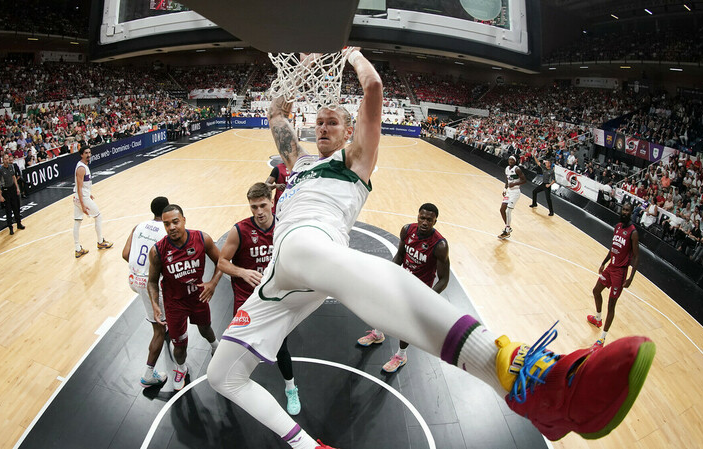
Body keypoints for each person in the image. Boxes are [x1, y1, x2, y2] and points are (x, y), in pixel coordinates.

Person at [207, 49, 654, 449]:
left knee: (343, 264)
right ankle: (306, 445)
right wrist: (304, 63)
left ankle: (518, 372)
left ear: (348, 133)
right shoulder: (298, 161)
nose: (322, 127)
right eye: (318, 122)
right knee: (222, 375)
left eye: (332, 123)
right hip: (284, 276)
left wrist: (352, 54)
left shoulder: (354, 160)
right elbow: (275, 114)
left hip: (309, 245)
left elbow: (374, 87)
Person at [217, 182, 301, 415]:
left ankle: (291, 388)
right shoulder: (240, 230)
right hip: (246, 301)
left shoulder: (284, 227)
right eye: (253, 207)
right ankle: (237, 385)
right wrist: (242, 271)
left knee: (281, 347)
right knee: (240, 346)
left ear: (272, 202)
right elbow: (222, 262)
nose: (259, 211)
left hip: (275, 301)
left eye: (263, 205)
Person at [356, 202, 450, 373]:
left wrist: (429, 297)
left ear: (435, 222)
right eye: (422, 217)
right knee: (382, 307)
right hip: (401, 280)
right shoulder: (407, 230)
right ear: (418, 216)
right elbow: (400, 255)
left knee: (406, 324)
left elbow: (444, 279)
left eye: (429, 220)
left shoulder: (440, 245)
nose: (424, 222)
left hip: (419, 289)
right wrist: (389, 274)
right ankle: (377, 334)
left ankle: (401, 355)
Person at [146, 204, 222, 390]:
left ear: (184, 220)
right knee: (179, 344)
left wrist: (212, 283)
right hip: (174, 304)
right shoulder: (158, 250)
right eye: (166, 224)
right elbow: (152, 282)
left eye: (175, 222)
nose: (171, 227)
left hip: (198, 297)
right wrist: (155, 305)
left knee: (206, 328)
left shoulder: (202, 238)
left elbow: (222, 262)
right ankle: (181, 368)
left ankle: (215, 346)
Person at [122, 196, 171, 388]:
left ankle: (165, 325)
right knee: (158, 330)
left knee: (160, 320)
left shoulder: (138, 226)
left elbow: (125, 254)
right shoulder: (166, 231)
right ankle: (148, 375)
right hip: (150, 286)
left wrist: (140, 273)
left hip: (133, 279)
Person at [588, 203, 639, 346]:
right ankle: (598, 319)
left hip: (620, 272)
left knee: (611, 305)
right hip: (611, 267)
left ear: (631, 213)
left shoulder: (633, 233)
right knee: (596, 291)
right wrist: (604, 262)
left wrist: (630, 277)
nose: (624, 212)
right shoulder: (617, 226)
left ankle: (602, 338)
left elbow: (636, 257)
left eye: (627, 210)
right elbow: (613, 248)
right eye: (623, 209)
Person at [73, 147, 113, 258]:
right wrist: (83, 204)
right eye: (86, 153)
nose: (88, 155)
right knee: (98, 216)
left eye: (89, 152)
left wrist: (88, 192)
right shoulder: (81, 168)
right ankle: (100, 242)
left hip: (78, 196)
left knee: (77, 221)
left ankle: (77, 249)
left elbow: (81, 186)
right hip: (82, 198)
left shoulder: (82, 165)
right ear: (81, 155)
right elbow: (80, 188)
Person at [0, 152, 25, 235]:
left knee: (16, 207)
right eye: (5, 159)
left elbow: (14, 177)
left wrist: (17, 188)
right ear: (2, 160)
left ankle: (19, 224)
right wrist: (0, 196)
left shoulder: (11, 166)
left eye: (7, 158)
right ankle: (10, 228)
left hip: (12, 189)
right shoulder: (0, 170)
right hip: (6, 191)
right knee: (8, 210)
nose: (6, 160)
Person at [499, 155, 526, 239]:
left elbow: (524, 180)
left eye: (512, 160)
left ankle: (507, 231)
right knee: (502, 209)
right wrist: (504, 188)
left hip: (515, 192)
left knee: (508, 211)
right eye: (509, 159)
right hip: (509, 192)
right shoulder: (507, 169)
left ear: (515, 161)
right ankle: (508, 227)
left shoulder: (517, 169)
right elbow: (507, 180)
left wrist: (514, 183)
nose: (510, 161)